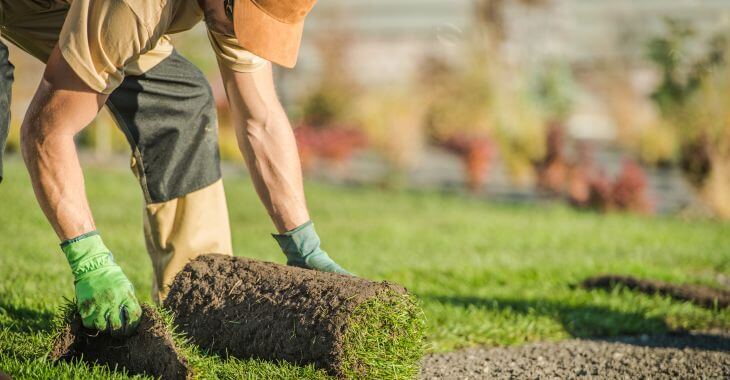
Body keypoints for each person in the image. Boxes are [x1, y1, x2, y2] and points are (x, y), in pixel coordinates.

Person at [0, 0, 351, 336]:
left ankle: (197, 306)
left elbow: (261, 121)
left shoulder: (234, 10)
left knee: (179, 101)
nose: (243, 35)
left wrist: (304, 247)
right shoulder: (134, 7)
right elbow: (47, 129)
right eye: (242, 20)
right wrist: (89, 261)